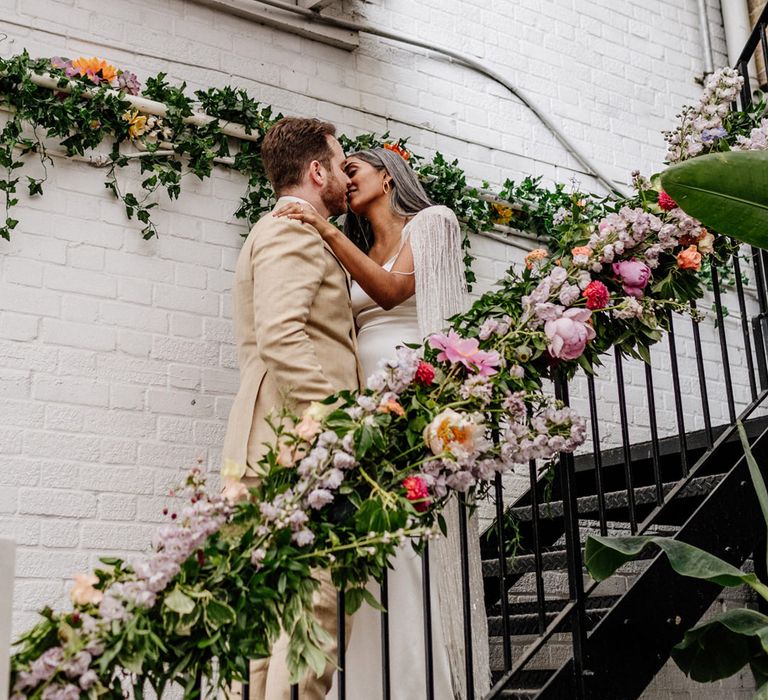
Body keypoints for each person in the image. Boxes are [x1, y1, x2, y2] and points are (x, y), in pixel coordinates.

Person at [274, 147, 490, 699]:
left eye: (352, 169)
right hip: (364, 402)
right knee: (366, 533)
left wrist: (324, 229)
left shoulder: (433, 222)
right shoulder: (361, 248)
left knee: (404, 535)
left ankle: (418, 683)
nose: (344, 180)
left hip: (415, 400)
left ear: (388, 177)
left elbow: (394, 292)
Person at [222, 116, 362, 700]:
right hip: (298, 445)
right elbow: (282, 335)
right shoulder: (292, 232)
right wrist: (337, 422)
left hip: (268, 443)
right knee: (314, 612)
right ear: (316, 169)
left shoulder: (282, 231)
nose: (347, 178)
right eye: (340, 162)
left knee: (265, 619)